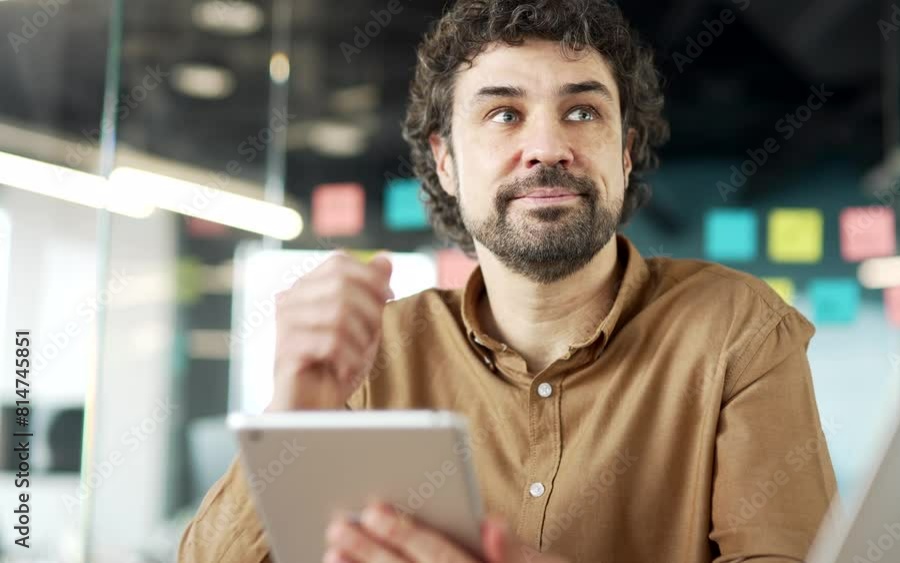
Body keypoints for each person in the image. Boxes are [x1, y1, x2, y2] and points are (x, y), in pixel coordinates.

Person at [178, 0, 838, 561]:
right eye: (504, 114)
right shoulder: (370, 356)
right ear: (444, 162)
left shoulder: (737, 330)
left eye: (582, 111)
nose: (548, 145)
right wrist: (296, 408)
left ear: (626, 149)